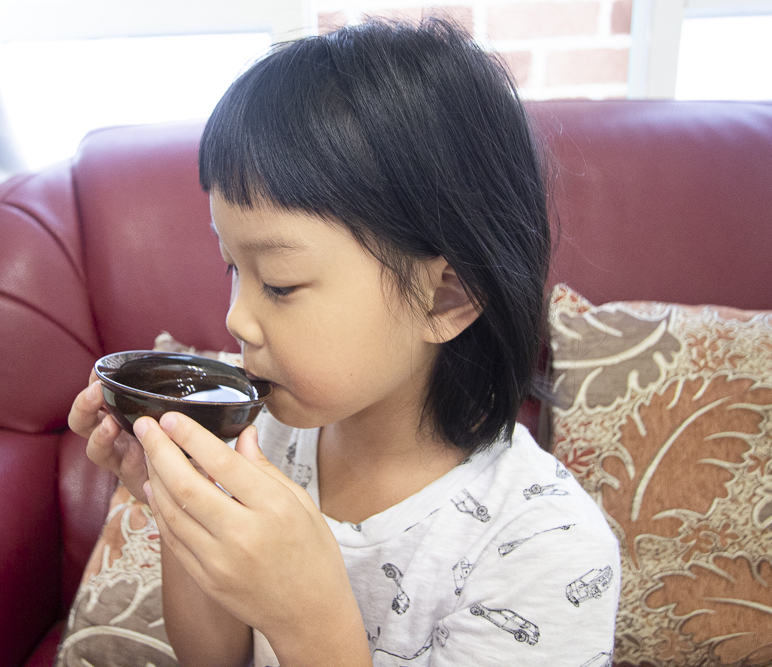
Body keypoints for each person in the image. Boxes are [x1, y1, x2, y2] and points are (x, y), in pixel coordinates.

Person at [68, 18, 620, 667]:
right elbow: (213, 659)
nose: (237, 320)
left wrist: (311, 618)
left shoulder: (544, 547)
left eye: (278, 283)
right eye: (232, 269)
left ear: (446, 297)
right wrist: (179, 501)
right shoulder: (267, 440)